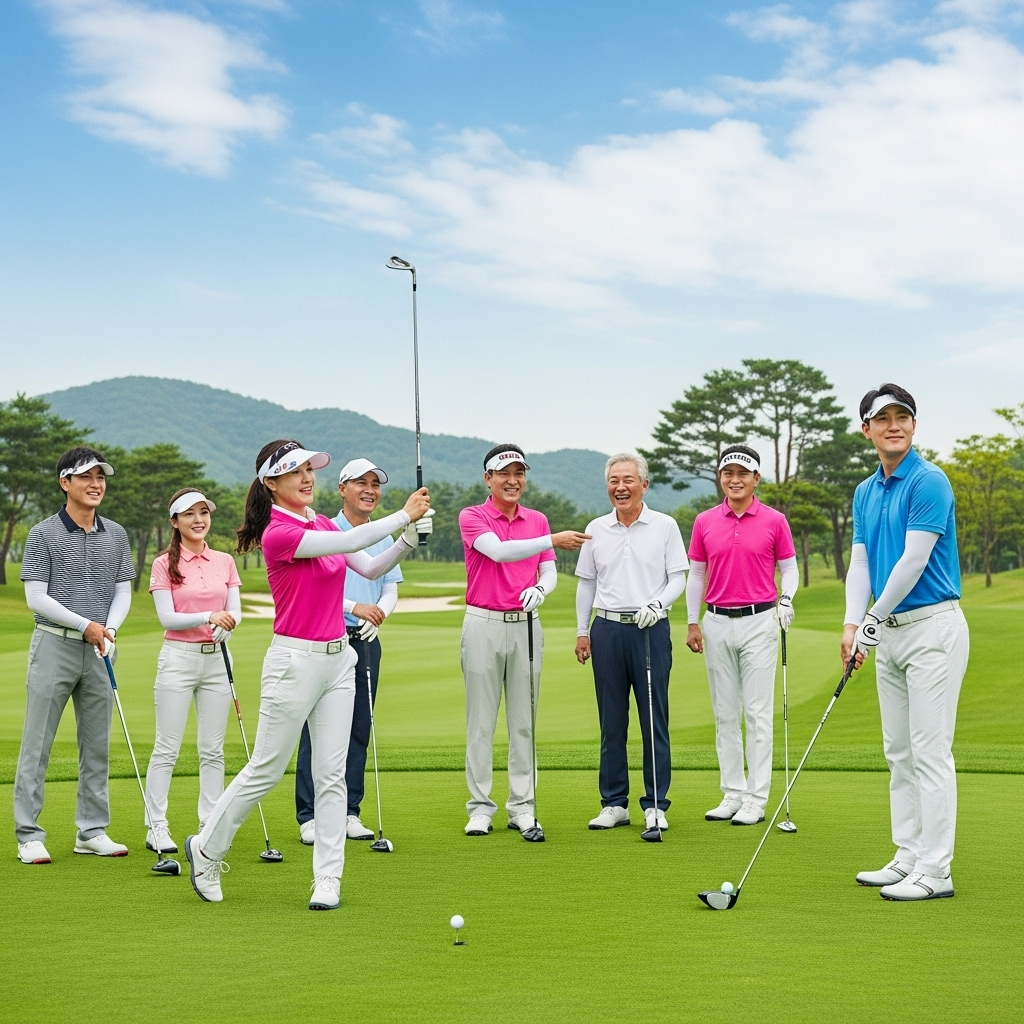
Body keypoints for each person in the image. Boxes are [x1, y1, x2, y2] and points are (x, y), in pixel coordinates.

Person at [185, 440, 431, 910]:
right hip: (294, 661)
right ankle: (207, 849)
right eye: (293, 470)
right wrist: (402, 515)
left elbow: (370, 562)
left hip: (340, 659)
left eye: (309, 468)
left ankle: (327, 879)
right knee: (266, 769)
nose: (307, 476)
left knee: (332, 775)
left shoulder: (318, 520)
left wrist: (407, 538)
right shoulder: (279, 533)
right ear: (271, 483)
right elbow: (350, 540)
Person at [844, 385, 968, 901]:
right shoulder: (866, 490)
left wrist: (873, 616)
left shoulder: (929, 481)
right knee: (898, 750)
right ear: (866, 430)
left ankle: (937, 871)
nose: (894, 425)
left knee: (930, 750)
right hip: (888, 634)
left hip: (932, 629)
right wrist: (854, 625)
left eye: (903, 417)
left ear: (913, 425)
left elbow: (913, 561)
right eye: (883, 418)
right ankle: (909, 854)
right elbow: (862, 562)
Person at [458, 444, 589, 841]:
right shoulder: (473, 516)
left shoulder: (537, 519)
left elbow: (548, 571)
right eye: (504, 473)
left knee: (524, 723)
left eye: (519, 473)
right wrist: (552, 538)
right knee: (481, 723)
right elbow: (498, 552)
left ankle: (523, 807)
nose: (512, 481)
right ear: (488, 479)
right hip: (483, 622)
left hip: (527, 624)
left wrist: (541, 590)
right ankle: (480, 808)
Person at [14, 447, 136, 864]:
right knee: (37, 743)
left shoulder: (116, 534)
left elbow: (123, 590)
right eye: (86, 477)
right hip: (55, 643)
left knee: (97, 744)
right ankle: (28, 834)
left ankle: (92, 830)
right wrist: (86, 625)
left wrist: (111, 630)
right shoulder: (42, 533)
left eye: (101, 477)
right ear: (65, 482)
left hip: (102, 647)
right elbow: (36, 595)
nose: (96, 484)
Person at [294, 458, 418, 845]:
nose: (369, 489)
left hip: (366, 639)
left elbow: (388, 583)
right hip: (327, 637)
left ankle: (349, 811)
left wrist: (380, 615)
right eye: (360, 482)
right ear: (342, 489)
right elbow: (321, 587)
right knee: (316, 730)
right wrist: (354, 608)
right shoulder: (326, 530)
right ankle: (310, 815)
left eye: (375, 484)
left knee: (358, 728)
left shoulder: (381, 533)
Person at [575, 454, 688, 836]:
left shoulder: (664, 526)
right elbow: (586, 583)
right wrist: (581, 630)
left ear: (643, 484)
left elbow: (677, 578)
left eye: (627, 479)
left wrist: (659, 604)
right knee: (611, 721)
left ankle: (655, 804)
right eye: (613, 480)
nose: (619, 487)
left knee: (653, 718)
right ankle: (614, 803)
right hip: (606, 629)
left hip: (650, 630)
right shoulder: (596, 528)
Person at [685, 445, 799, 826]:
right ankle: (732, 792)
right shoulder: (704, 521)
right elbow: (696, 574)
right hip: (716, 620)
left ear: (756, 479)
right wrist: (692, 620)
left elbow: (790, 569)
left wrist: (786, 598)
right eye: (728, 473)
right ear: (721, 478)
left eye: (742, 473)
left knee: (757, 713)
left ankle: (756, 797)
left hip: (760, 620)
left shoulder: (774, 520)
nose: (734, 479)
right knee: (725, 713)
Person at [144, 489, 242, 855]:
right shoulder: (162, 564)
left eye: (203, 512)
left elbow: (235, 610)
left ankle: (210, 825)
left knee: (213, 749)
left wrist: (228, 625)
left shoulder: (224, 561)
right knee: (167, 747)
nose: (198, 519)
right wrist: (208, 616)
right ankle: (156, 826)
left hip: (217, 659)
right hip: (178, 659)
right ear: (175, 521)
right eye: (189, 514)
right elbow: (167, 618)